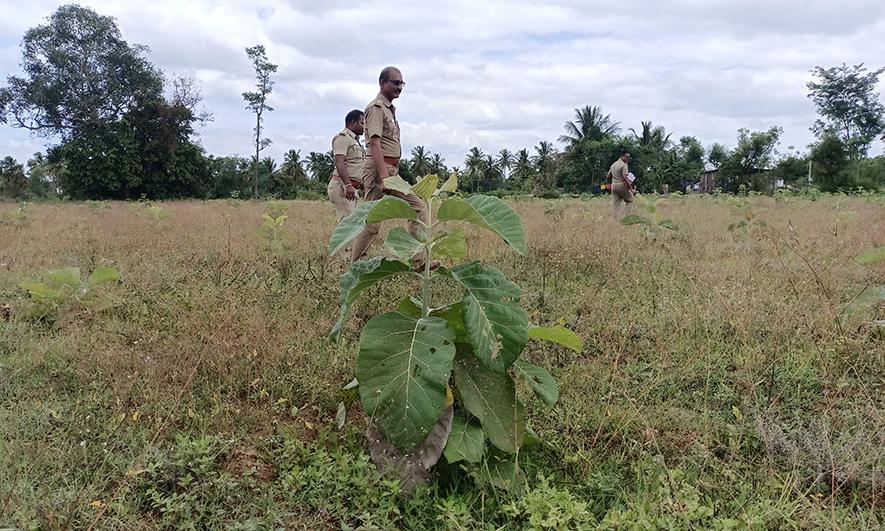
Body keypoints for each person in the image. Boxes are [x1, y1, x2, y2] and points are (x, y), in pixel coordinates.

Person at [350, 66, 434, 270]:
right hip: (380, 169)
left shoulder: (389, 109)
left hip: (391, 170)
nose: (399, 87)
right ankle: (355, 266)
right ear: (382, 83)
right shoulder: (376, 108)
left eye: (401, 83)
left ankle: (419, 260)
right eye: (395, 83)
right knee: (371, 221)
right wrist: (383, 176)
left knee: (418, 206)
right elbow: (375, 144)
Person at [327, 109, 366, 260]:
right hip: (342, 188)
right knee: (347, 224)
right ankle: (344, 260)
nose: (364, 126)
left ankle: (350, 256)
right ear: (353, 122)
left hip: (352, 188)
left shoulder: (355, 141)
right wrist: (348, 185)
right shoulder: (342, 138)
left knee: (353, 223)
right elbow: (339, 162)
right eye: (362, 123)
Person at [608, 150, 635, 220]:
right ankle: (627, 218)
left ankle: (614, 221)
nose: (628, 159)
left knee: (615, 205)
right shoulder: (624, 165)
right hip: (621, 185)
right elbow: (626, 178)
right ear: (622, 156)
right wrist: (632, 190)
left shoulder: (613, 165)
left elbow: (608, 177)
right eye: (627, 157)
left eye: (629, 157)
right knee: (630, 201)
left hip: (613, 186)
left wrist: (615, 176)